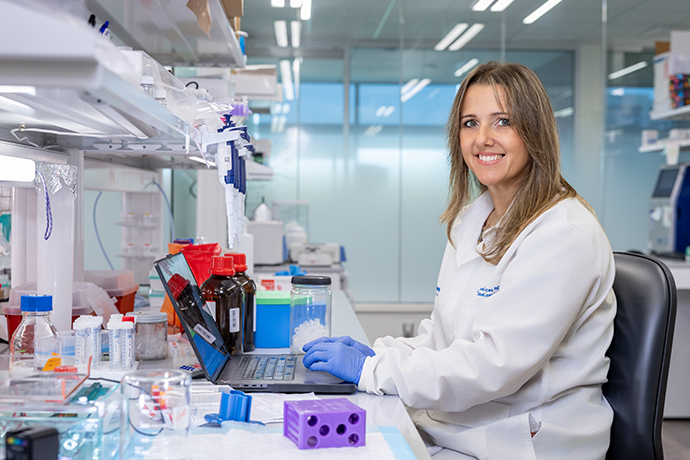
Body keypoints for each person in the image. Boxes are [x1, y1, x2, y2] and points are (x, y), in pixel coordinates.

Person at [302, 61, 616, 460]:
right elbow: (443, 337)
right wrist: (380, 355)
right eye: (470, 123)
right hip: (465, 425)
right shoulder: (473, 220)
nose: (483, 139)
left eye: (502, 121)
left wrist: (373, 372)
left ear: (534, 131)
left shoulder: (563, 234)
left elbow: (492, 365)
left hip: (525, 441)